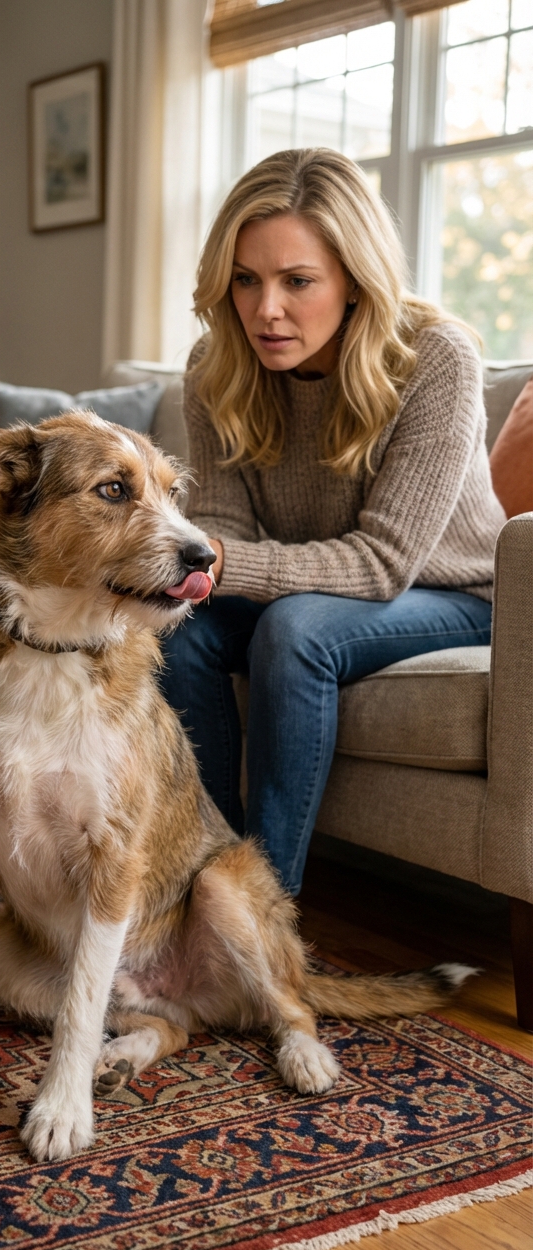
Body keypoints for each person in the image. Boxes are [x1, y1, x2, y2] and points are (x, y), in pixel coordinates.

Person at [160, 147, 506, 897]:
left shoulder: (433, 358)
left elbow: (383, 562)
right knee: (177, 626)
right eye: (246, 280)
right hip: (308, 589)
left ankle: (260, 910)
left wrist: (220, 560)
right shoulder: (215, 366)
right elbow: (219, 524)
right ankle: (197, 886)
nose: (265, 309)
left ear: (354, 280)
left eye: (298, 281)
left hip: (452, 596)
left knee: (295, 628)